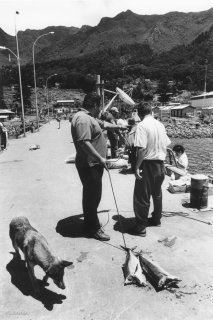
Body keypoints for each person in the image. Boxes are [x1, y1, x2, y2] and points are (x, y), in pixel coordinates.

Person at [71, 92, 126, 241]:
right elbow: (84, 142)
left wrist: (118, 128)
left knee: (92, 195)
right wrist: (100, 158)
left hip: (93, 163)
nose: (101, 110)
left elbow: (104, 124)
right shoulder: (83, 119)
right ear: (95, 105)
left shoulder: (89, 117)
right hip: (90, 164)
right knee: (92, 197)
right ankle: (92, 229)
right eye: (100, 106)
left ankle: (90, 222)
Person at [131, 102, 171, 237]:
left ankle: (141, 226)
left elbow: (141, 149)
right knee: (157, 193)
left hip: (148, 164)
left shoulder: (141, 125)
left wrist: (136, 167)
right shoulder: (160, 125)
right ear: (151, 111)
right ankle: (156, 219)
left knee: (142, 196)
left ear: (140, 113)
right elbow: (166, 144)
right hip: (160, 164)